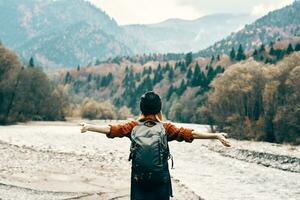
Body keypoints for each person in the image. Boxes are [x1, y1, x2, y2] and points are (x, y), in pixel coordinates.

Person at [80, 91, 231, 200]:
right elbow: (190, 134)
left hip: (139, 178)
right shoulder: (165, 128)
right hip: (160, 179)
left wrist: (89, 126)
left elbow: (112, 129)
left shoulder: (133, 126)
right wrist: (215, 135)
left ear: (141, 108)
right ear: (159, 109)